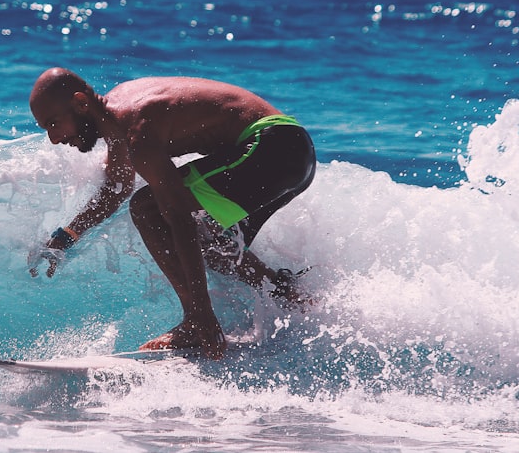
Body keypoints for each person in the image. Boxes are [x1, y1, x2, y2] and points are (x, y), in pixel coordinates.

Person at [26, 67, 317, 359]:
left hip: (270, 147)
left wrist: (203, 316)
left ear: (80, 103)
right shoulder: (117, 117)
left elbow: (178, 217)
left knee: (147, 208)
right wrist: (66, 236)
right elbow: (115, 188)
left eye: (54, 123)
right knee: (217, 248)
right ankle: (288, 294)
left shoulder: (136, 128)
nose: (53, 138)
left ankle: (194, 321)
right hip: (294, 153)